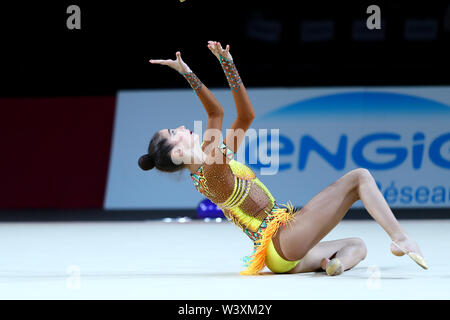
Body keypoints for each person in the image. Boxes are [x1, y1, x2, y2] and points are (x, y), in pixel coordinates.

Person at [141, 41, 427, 276]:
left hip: (279, 254)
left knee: (358, 245)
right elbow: (217, 114)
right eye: (173, 132)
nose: (180, 127)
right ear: (177, 153)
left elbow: (245, 117)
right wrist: (211, 67)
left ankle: (330, 264)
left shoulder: (209, 165)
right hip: (282, 238)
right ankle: (400, 238)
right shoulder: (212, 171)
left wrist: (208, 67)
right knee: (360, 177)